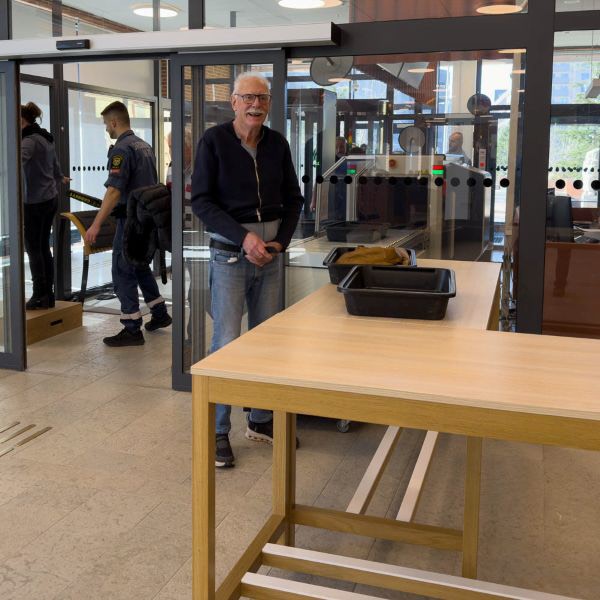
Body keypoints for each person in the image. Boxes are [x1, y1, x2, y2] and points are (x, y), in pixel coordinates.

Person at [191, 72, 303, 468]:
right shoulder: (214, 142)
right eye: (249, 97)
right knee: (225, 342)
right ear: (234, 101)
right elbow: (202, 202)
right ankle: (217, 430)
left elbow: (294, 199)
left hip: (270, 260)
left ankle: (260, 418)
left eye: (263, 98)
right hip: (230, 258)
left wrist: (281, 242)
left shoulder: (277, 144)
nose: (256, 105)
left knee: (266, 341)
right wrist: (244, 238)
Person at [84, 101, 171, 347]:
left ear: (114, 122)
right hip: (146, 218)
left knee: (122, 270)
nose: (106, 129)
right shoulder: (144, 146)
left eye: (106, 124)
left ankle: (132, 328)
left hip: (130, 221)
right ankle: (159, 313)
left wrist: (96, 225)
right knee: (139, 265)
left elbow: (114, 191)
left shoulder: (121, 150)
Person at [20, 102, 70, 310]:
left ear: (21, 120)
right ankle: (48, 295)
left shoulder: (28, 141)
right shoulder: (45, 137)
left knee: (33, 248)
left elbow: (13, 163)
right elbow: (55, 164)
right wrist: (60, 177)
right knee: (42, 246)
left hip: (36, 202)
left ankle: (39, 294)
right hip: (50, 198)